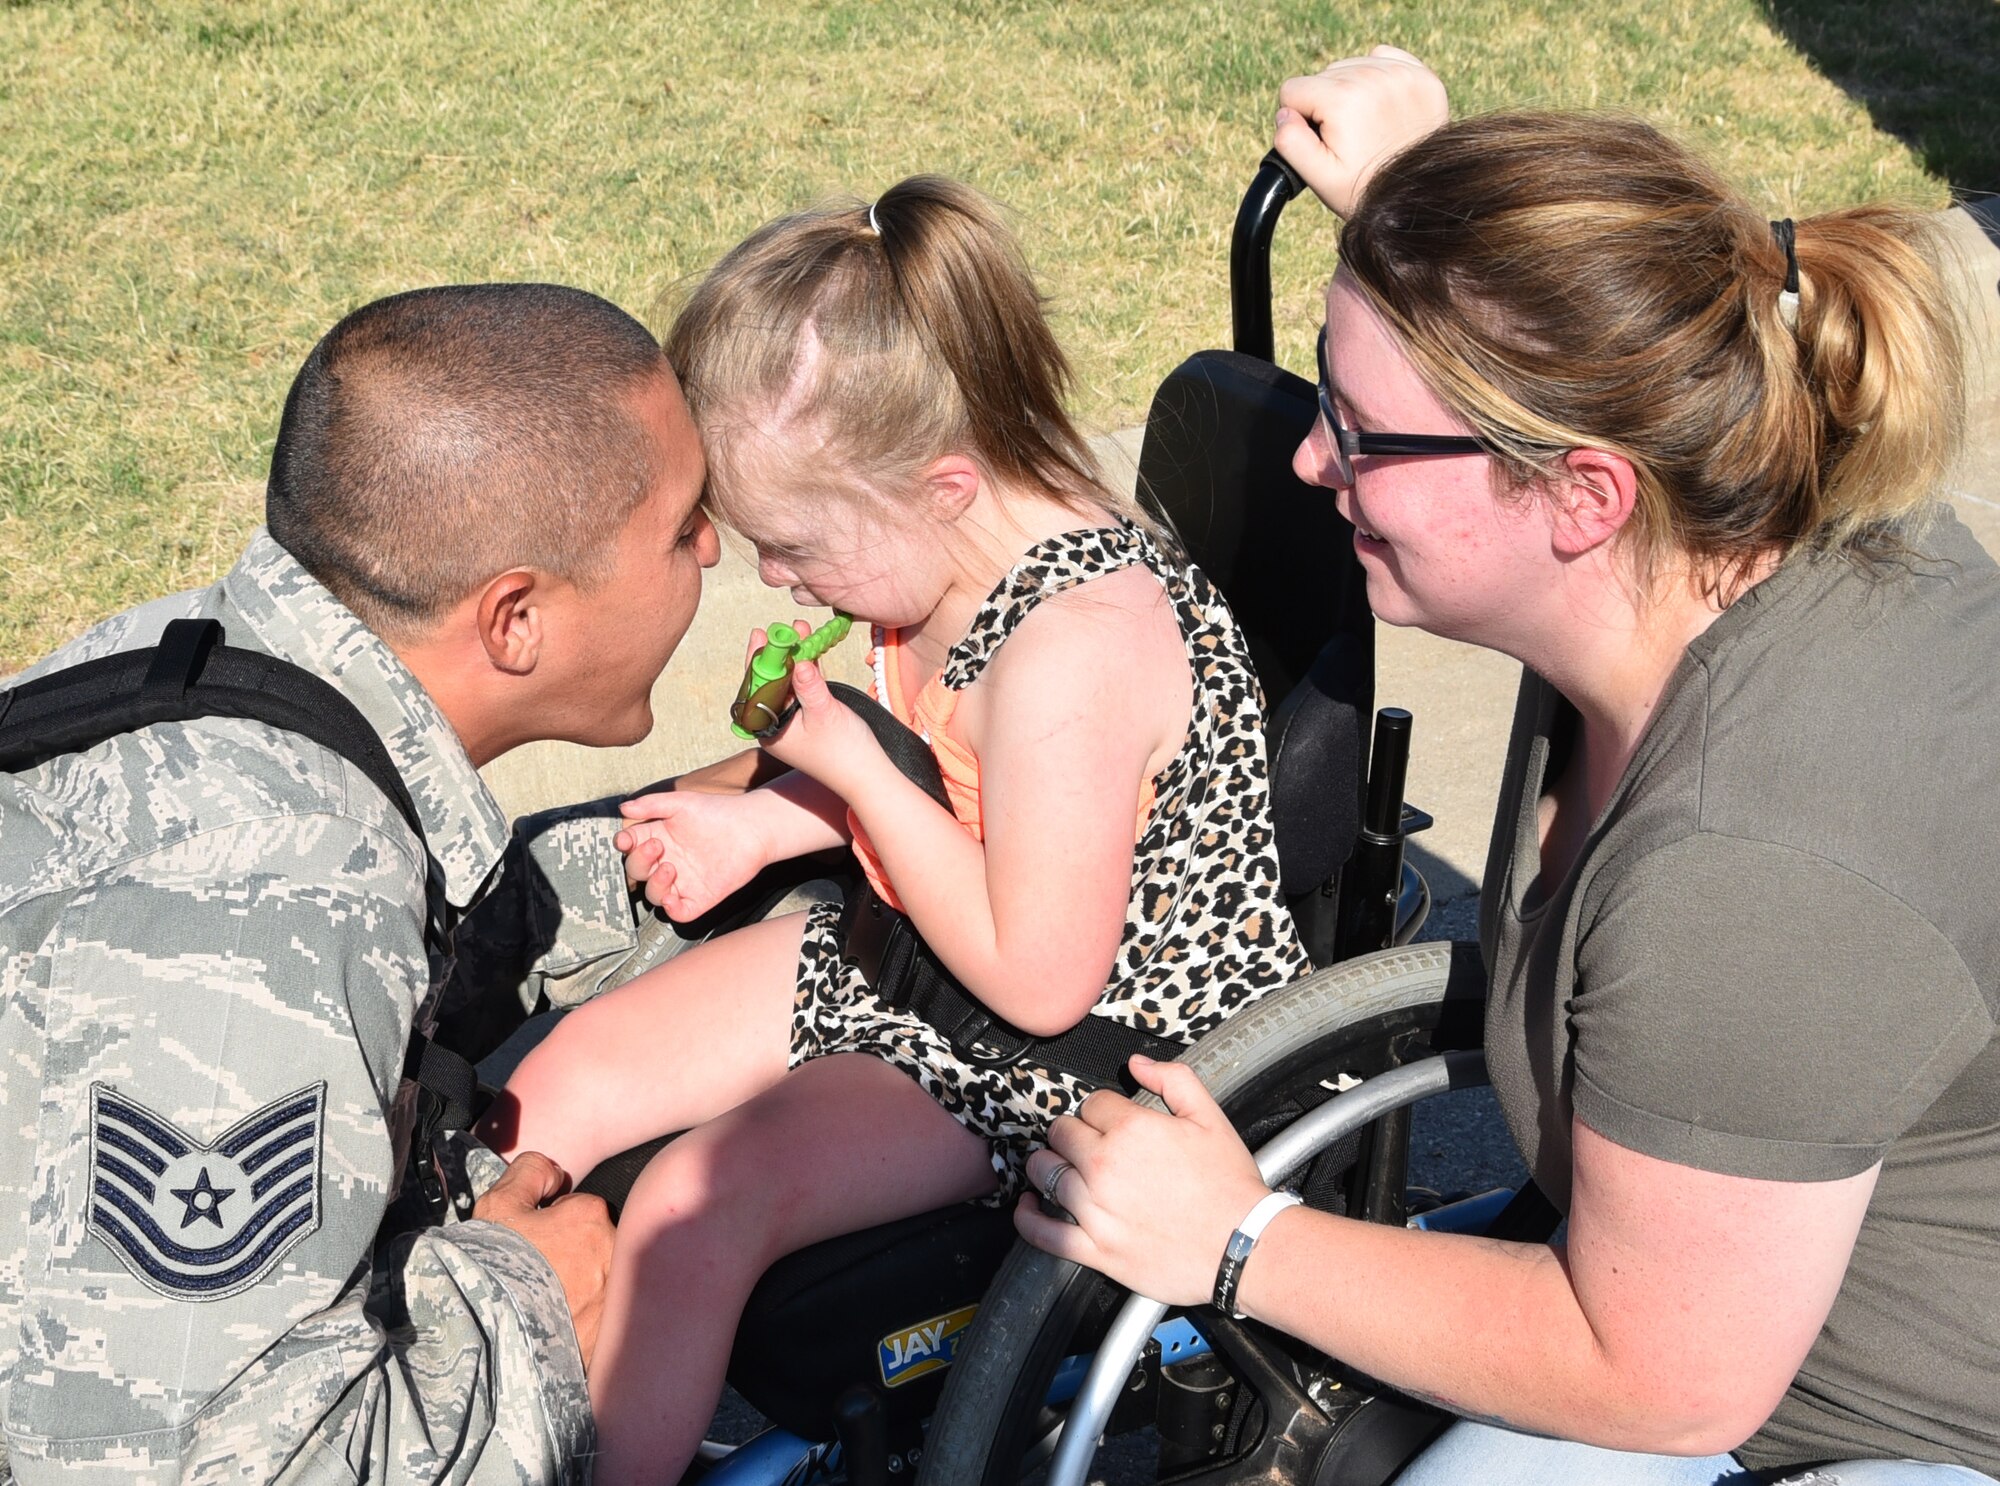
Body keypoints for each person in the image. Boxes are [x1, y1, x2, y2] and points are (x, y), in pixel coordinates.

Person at [1014, 48, 2000, 1486]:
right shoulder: (1715, 509)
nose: (1309, 463)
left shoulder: (1752, 867)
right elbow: (1583, 342)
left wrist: (1238, 1237)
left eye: (1358, 432)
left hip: (1879, 1421)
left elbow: (1658, 1377)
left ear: (1583, 494)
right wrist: (1433, 200)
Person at [479, 174, 1314, 1484]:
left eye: (795, 543)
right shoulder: (929, 546)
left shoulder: (1072, 653)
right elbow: (937, 767)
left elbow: (1039, 980)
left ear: (939, 483)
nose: (773, 576)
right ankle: (467, 1388)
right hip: (916, 946)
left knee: (698, 1217)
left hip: (1067, 1051)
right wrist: (768, 823)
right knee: (556, 1083)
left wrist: (848, 777)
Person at [0, 282, 723, 1481]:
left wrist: (707, 824)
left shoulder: (203, 667)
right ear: (516, 619)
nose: (711, 548)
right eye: (684, 525)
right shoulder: (272, 923)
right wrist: (523, 1297)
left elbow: (440, 925)